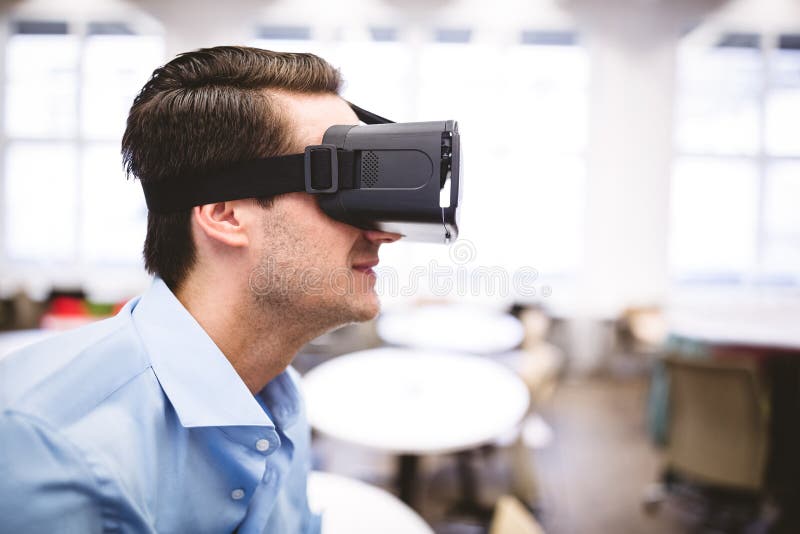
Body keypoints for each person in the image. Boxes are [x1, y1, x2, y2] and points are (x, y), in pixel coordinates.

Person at [0, 46, 401, 533]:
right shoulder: (50, 447)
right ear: (225, 214)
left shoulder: (278, 396)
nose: (384, 232)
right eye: (343, 187)